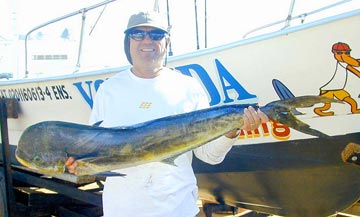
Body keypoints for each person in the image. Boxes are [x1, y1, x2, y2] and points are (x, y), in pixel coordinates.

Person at [66, 11, 268, 217]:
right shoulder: (108, 90)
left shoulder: (188, 87)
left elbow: (209, 156)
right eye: (138, 34)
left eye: (156, 35)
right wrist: (79, 166)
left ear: (167, 42)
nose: (147, 40)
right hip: (122, 210)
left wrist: (233, 131)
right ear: (128, 41)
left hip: (178, 210)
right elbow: (94, 153)